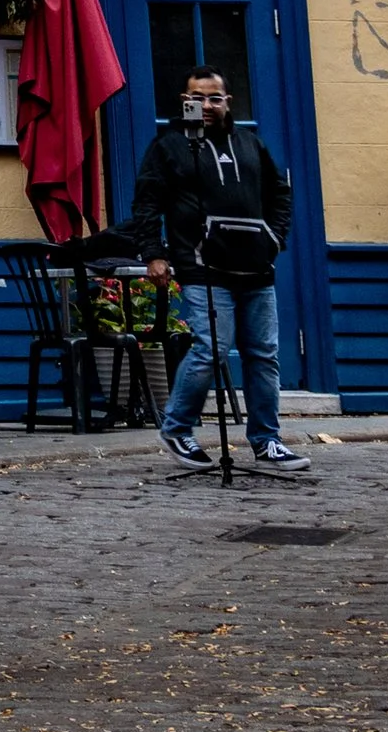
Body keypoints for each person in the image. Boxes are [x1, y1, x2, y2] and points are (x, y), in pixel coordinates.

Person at [130, 65, 308, 473]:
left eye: (214, 98)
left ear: (228, 102)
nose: (205, 105)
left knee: (263, 356)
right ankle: (178, 428)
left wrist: (274, 239)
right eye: (197, 97)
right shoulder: (170, 146)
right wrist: (153, 253)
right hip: (201, 267)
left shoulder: (251, 144)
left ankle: (267, 441)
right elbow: (147, 203)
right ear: (184, 101)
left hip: (255, 269)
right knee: (210, 350)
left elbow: (280, 195)